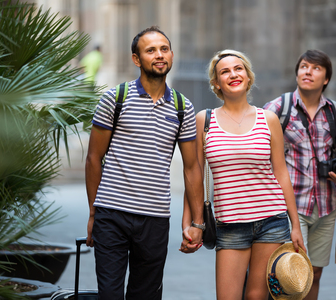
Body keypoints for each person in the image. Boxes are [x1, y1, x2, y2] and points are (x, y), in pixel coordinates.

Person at [85, 26, 204, 300]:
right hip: (111, 214)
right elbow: (94, 159)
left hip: (155, 218)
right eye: (150, 50)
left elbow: (191, 167)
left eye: (164, 49)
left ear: (172, 55)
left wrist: (198, 223)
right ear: (136, 59)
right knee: (110, 295)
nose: (159, 55)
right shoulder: (115, 98)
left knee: (146, 296)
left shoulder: (182, 107)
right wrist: (93, 213)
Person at [180, 49, 306, 300]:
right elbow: (193, 176)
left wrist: (296, 225)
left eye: (238, 69)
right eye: (224, 71)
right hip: (230, 225)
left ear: (248, 77)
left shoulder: (268, 119)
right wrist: (190, 224)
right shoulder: (204, 120)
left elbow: (281, 173)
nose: (233, 74)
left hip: (271, 220)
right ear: (216, 83)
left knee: (256, 297)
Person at [264, 49, 336, 300]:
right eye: (303, 67)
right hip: (290, 205)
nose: (307, 72)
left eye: (315, 68)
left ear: (326, 78)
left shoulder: (335, 111)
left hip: (325, 206)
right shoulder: (278, 108)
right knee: (289, 273)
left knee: (313, 273)